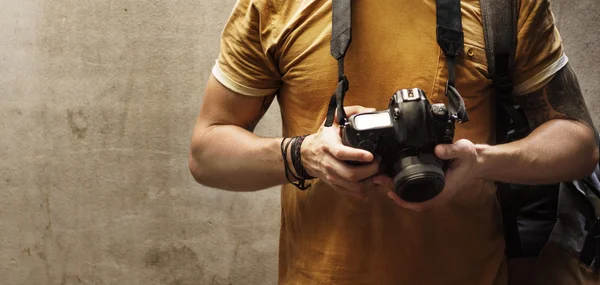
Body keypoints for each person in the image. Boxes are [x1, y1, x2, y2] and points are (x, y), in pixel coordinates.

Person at [189, 0, 599, 284]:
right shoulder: (274, 7)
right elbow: (207, 153)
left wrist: (481, 161)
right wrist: (305, 154)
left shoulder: (501, 7)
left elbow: (579, 144)